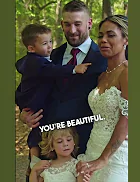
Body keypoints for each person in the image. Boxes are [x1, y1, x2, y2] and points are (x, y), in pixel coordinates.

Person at [20, 0, 108, 157]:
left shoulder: (104, 59)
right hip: (46, 144)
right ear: (61, 24)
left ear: (89, 23)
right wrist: (24, 113)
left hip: (85, 147)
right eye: (67, 24)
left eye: (77, 24)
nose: (72, 30)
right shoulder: (48, 57)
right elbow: (25, 89)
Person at [15, 23, 91, 179]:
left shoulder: (101, 57)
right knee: (38, 132)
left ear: (89, 23)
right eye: (44, 43)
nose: (49, 46)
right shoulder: (37, 61)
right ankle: (34, 160)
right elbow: (51, 71)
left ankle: (34, 156)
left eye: (50, 42)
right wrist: (74, 69)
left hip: (79, 136)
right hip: (39, 107)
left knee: (38, 133)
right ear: (31, 48)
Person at [75, 15, 129, 182]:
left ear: (125, 40)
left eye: (111, 35)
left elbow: (126, 118)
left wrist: (103, 159)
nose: (103, 40)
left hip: (116, 156)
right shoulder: (102, 76)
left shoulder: (128, 72)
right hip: (93, 147)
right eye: (100, 35)